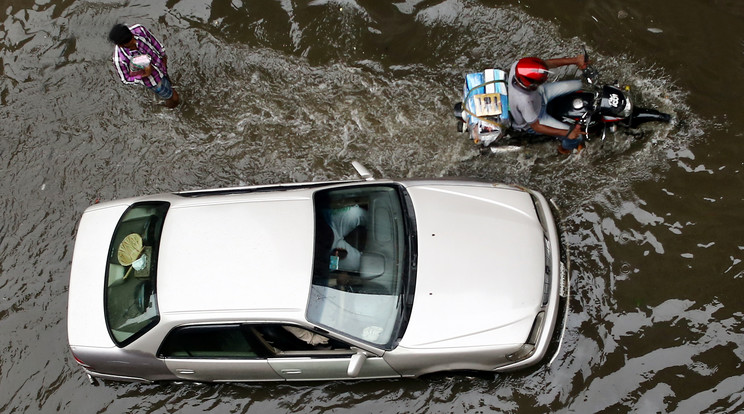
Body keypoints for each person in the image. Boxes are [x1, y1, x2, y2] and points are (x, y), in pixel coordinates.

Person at [507, 54, 588, 152]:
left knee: (581, 85)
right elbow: (536, 127)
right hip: (537, 118)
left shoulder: (517, 66)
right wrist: (567, 133)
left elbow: (547, 64)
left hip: (541, 95)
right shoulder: (524, 101)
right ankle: (565, 150)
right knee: (577, 137)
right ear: (532, 84)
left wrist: (575, 60)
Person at [109, 24, 180, 108]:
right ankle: (168, 108)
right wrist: (144, 75)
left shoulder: (140, 30)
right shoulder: (120, 59)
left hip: (161, 66)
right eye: (131, 44)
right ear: (121, 45)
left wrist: (164, 58)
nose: (135, 42)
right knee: (174, 98)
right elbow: (125, 79)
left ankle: (167, 92)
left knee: (169, 83)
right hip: (153, 81)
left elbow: (155, 43)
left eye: (133, 39)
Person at [324, 205, 367, 273]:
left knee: (357, 213)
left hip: (329, 223)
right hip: (328, 253)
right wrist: (333, 259)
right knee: (359, 263)